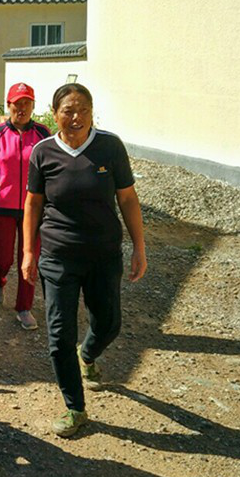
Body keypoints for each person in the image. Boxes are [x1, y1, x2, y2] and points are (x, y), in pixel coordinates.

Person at [21, 83, 147, 438]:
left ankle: (88, 355)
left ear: (92, 112)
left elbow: (127, 199)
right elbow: (33, 202)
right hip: (58, 256)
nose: (76, 117)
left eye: (83, 110)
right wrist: (29, 251)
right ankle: (74, 407)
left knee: (109, 324)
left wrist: (139, 246)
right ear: (54, 113)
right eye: (68, 111)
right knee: (59, 334)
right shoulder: (43, 152)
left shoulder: (110, 146)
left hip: (103, 255)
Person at [0, 82, 50, 330]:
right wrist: (4, 184)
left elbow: (50, 166)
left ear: (33, 105)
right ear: (8, 105)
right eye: (17, 103)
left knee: (29, 257)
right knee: (2, 255)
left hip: (34, 208)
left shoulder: (43, 134)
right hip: (4, 205)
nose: (22, 108)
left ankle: (24, 307)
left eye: (26, 103)